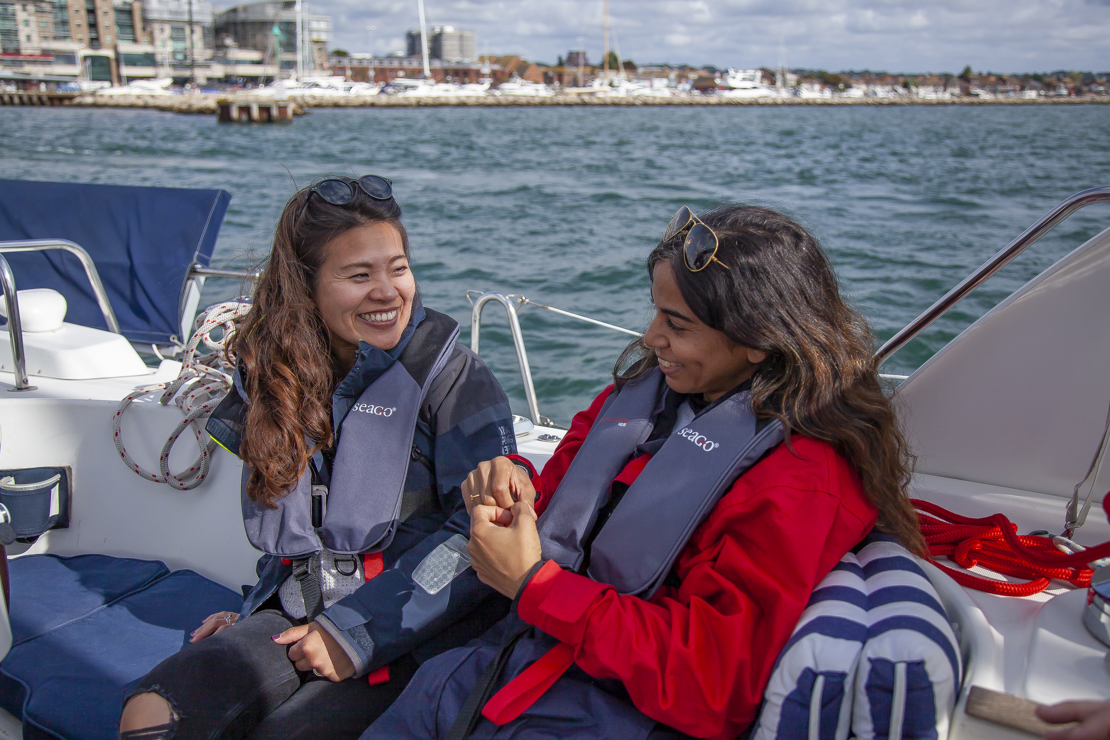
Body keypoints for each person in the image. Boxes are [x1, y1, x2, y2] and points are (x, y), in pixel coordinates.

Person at [365, 204, 926, 740]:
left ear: (758, 340)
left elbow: (712, 683)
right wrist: (516, 486)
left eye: (676, 324)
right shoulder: (642, 397)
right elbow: (559, 492)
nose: (652, 337)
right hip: (496, 668)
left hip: (595, 712)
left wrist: (535, 586)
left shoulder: (802, 479)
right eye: (655, 311)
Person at [119, 175, 517, 740]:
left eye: (397, 267)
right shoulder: (270, 375)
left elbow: (480, 537)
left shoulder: (456, 379)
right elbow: (296, 522)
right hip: (295, 615)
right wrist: (255, 614)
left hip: (417, 626)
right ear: (306, 288)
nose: (388, 291)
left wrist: (355, 632)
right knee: (153, 713)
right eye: (359, 275)